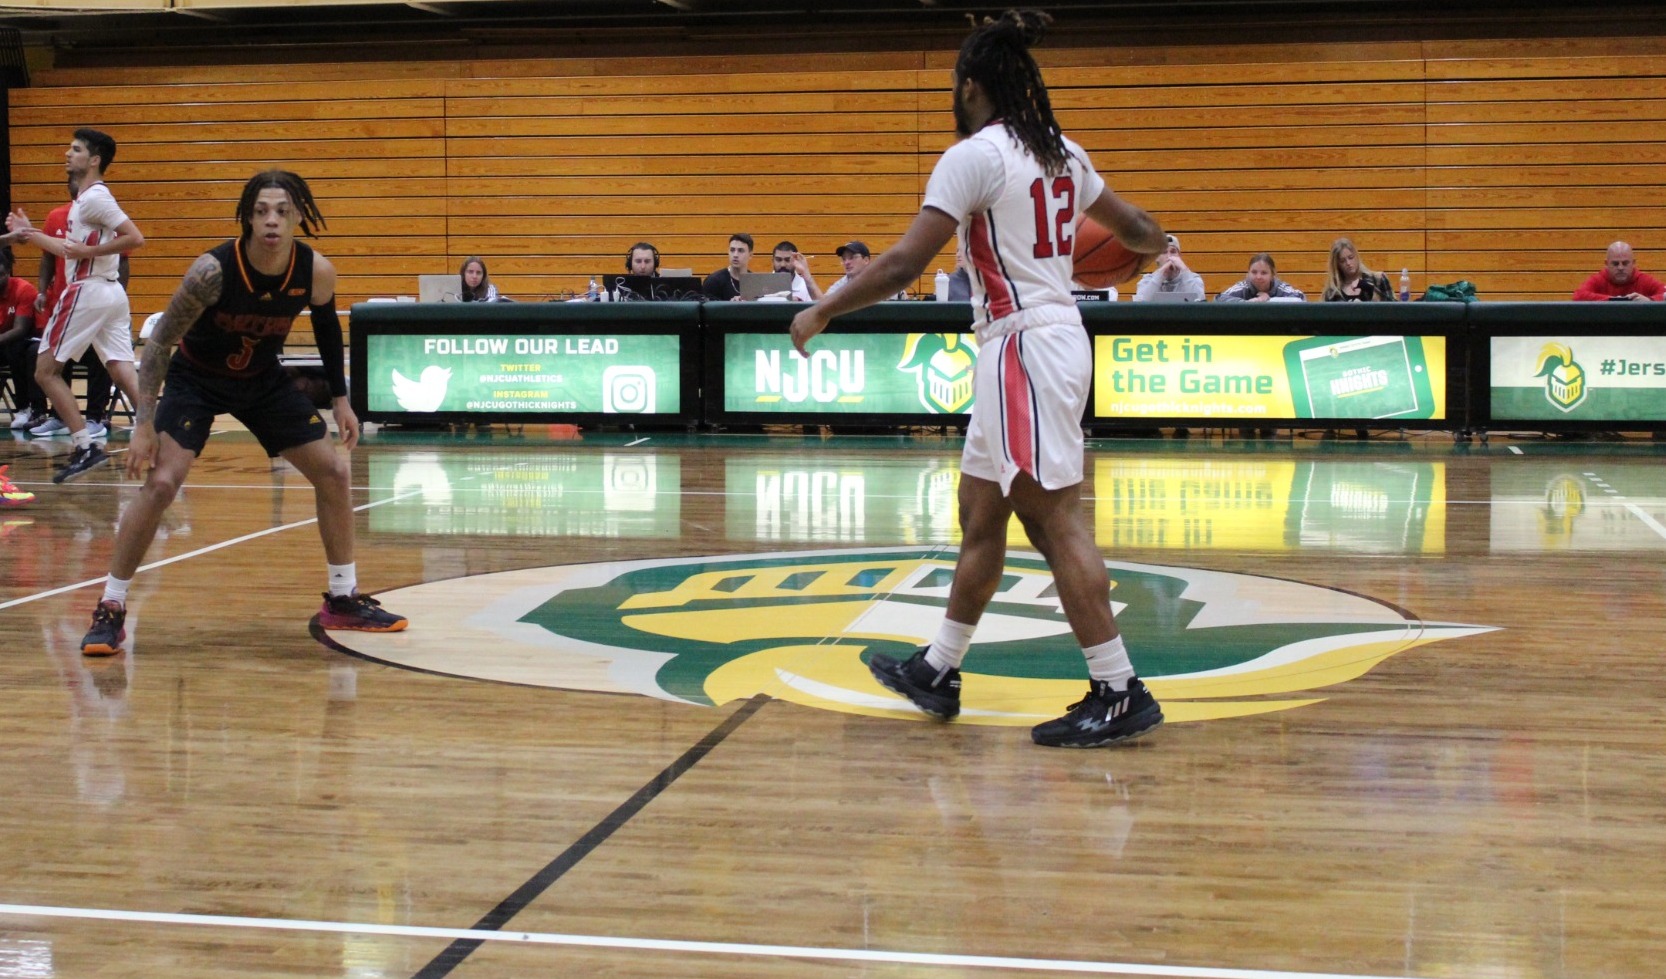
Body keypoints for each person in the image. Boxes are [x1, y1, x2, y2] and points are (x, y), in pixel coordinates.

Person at [790, 9, 1167, 748]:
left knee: (1051, 517)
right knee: (981, 509)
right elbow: (1137, 231)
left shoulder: (975, 155)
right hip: (1041, 340)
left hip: (1024, 343)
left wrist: (822, 309)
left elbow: (903, 263)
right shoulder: (1062, 150)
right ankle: (939, 667)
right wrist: (1156, 244)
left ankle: (1119, 686)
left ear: (970, 86)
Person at [75, 169, 407, 656]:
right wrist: (143, 424)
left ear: (297, 217)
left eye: (281, 211)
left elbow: (327, 332)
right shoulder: (212, 272)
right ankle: (111, 606)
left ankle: (342, 599)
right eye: (261, 212)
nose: (271, 221)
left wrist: (341, 399)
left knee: (334, 472)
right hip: (196, 379)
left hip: (261, 380)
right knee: (163, 483)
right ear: (248, 218)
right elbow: (162, 341)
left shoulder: (315, 270)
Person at [3, 128, 145, 483]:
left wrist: (88, 252)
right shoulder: (85, 202)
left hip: (88, 290)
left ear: (94, 160)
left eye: (76, 149)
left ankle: (85, 446)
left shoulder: (95, 198)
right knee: (121, 369)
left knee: (44, 372)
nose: (68, 154)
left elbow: (135, 237)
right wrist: (30, 233)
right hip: (110, 294)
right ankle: (165, 437)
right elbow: (66, 249)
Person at [28, 174, 123, 439]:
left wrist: (116, 289)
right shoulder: (58, 215)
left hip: (90, 294)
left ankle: (93, 423)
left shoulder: (98, 209)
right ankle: (62, 419)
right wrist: (42, 290)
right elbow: (50, 255)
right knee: (60, 364)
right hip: (66, 298)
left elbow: (127, 249)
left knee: (59, 367)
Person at [0, 248, 40, 431]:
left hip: (21, 343)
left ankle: (25, 408)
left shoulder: (23, 289)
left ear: (8, 272)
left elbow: (20, 329)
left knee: (16, 349)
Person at [1572, 241, 1664, 301]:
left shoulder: (1644, 280)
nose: (1620, 268)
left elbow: (1664, 294)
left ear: (1633, 263)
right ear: (1606, 264)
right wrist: (1613, 300)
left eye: (1625, 263)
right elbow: (1578, 296)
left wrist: (1650, 300)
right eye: (1615, 264)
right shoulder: (1598, 280)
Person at [1132, 234, 1205, 302]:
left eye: (1173, 252)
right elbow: (1142, 303)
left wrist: (1184, 269)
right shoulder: (1147, 281)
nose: (1169, 256)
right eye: (1164, 252)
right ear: (1156, 257)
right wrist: (1161, 274)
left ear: (1179, 256)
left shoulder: (1193, 279)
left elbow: (1200, 301)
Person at [1321, 237, 1395, 302]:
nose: (1348, 263)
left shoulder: (1378, 279)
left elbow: (1394, 310)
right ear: (1337, 265)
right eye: (1342, 261)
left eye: (1351, 257)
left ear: (1356, 256)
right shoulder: (1332, 292)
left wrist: (1371, 289)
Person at [1216, 253, 1305, 302]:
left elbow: (1301, 298)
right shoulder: (1243, 287)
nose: (1258, 277)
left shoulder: (1281, 288)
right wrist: (1247, 303)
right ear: (1248, 273)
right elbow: (1218, 299)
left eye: (1264, 273)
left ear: (1272, 275)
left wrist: (1270, 301)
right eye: (1254, 272)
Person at [702, 233, 754, 301]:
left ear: (750, 255)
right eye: (732, 250)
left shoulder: (754, 282)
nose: (735, 255)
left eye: (740, 251)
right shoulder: (713, 282)